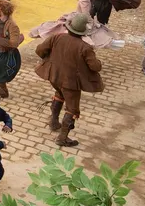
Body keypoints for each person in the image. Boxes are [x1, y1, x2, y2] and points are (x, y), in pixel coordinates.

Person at [35, 13, 104, 147]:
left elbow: (39, 50)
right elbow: (95, 67)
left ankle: (54, 122)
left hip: (54, 76)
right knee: (72, 109)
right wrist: (99, 62)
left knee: (59, 95)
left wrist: (49, 59)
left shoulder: (56, 37)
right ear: (83, 31)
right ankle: (62, 138)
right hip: (71, 82)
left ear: (69, 27)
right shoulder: (85, 47)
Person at [30, 0, 117, 49]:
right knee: (92, 35)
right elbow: (86, 14)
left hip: (79, 17)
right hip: (82, 19)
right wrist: (92, 23)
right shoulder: (84, 0)